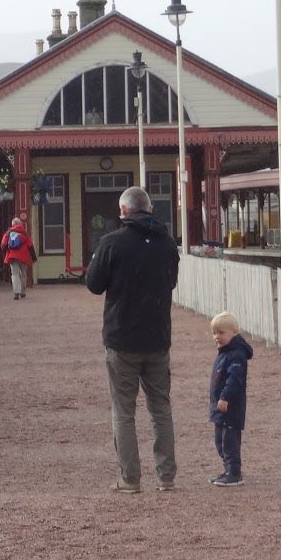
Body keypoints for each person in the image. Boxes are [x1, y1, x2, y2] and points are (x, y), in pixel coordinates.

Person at [85, 186, 180, 493]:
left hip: (121, 337)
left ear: (124, 211)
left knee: (123, 410)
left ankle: (130, 477)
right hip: (157, 337)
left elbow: (94, 285)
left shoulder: (112, 242)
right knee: (160, 408)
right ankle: (166, 476)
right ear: (149, 209)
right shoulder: (168, 244)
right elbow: (172, 282)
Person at [208, 311, 254, 487]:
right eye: (214, 333)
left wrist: (225, 397)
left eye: (221, 333)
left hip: (230, 406)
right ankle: (228, 469)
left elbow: (235, 378)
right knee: (220, 440)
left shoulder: (236, 355)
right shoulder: (225, 352)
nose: (217, 337)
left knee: (229, 441)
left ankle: (234, 471)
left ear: (234, 332)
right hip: (220, 407)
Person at [0, 216, 34, 299]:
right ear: (20, 224)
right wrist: (33, 257)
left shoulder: (8, 233)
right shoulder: (24, 233)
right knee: (23, 274)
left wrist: (6, 252)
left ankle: (16, 292)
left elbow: (3, 245)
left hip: (12, 256)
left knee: (15, 274)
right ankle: (23, 292)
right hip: (24, 256)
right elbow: (30, 246)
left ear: (12, 224)